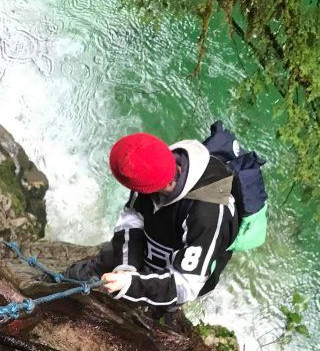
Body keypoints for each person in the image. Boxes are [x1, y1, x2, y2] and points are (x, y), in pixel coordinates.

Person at [66, 132, 239, 311]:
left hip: (183, 270)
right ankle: (66, 282)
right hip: (153, 247)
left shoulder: (208, 213)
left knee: (162, 307)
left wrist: (130, 284)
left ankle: (159, 313)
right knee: (109, 258)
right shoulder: (150, 168)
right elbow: (131, 218)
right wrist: (126, 267)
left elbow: (186, 284)